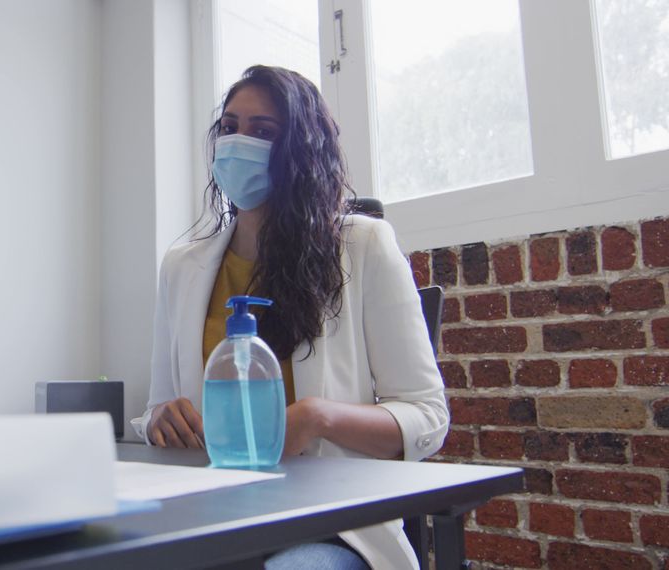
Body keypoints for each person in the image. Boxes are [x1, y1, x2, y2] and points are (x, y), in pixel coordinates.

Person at [130, 65, 449, 569]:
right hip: (211, 515)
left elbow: (428, 418)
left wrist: (317, 418)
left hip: (330, 524)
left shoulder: (363, 247)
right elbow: (155, 412)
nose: (238, 142)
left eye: (262, 131)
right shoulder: (180, 267)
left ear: (301, 150)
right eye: (229, 127)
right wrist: (160, 420)